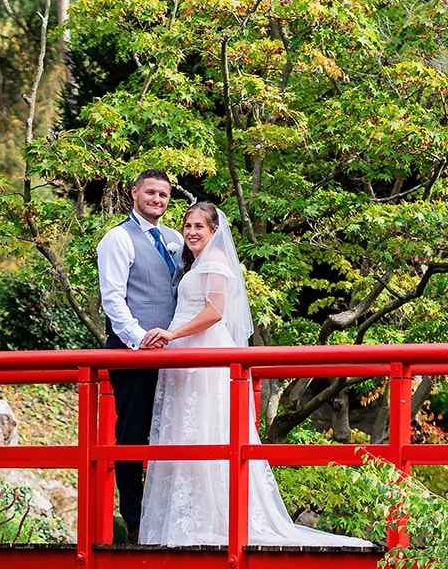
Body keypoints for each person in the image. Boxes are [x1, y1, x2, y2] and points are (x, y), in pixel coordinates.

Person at [137, 204, 376, 549]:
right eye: (187, 225)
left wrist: (172, 336)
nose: (191, 232)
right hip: (186, 354)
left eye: (199, 226)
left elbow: (215, 312)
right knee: (186, 430)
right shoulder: (197, 264)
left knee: (207, 429)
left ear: (214, 231)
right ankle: (185, 519)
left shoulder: (217, 265)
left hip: (203, 351)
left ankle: (213, 519)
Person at [96, 170, 183, 542]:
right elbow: (112, 297)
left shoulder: (176, 239)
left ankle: (170, 515)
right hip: (134, 351)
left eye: (163, 195)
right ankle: (134, 519)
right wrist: (138, 340)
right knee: (133, 432)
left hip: (176, 353)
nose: (158, 200)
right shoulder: (117, 239)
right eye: (151, 192)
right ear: (135, 193)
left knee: (174, 429)